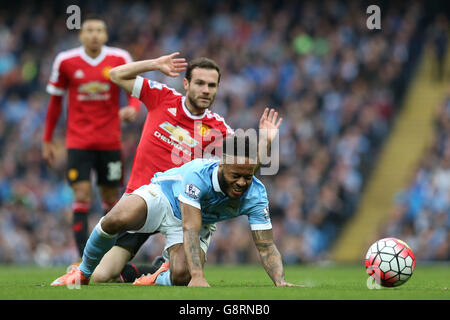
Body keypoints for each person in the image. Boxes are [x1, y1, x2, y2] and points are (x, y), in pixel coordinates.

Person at [89, 52, 281, 283]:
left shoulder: (219, 128)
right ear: (186, 83)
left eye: (212, 85)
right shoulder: (162, 97)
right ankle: (138, 270)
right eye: (200, 83)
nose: (206, 90)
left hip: (183, 208)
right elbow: (115, 74)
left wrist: (267, 141)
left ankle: (163, 269)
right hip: (145, 200)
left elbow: (243, 166)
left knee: (183, 274)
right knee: (101, 276)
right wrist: (154, 64)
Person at [51, 134, 301, 287]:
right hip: (164, 198)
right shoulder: (198, 176)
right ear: (222, 163)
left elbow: (266, 245)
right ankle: (82, 273)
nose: (242, 183)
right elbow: (189, 226)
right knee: (117, 217)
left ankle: (160, 274)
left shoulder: (255, 193)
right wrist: (200, 277)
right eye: (236, 175)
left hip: (199, 219)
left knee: (182, 275)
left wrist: (280, 281)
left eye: (248, 177)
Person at [42, 15, 141, 259]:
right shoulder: (66, 61)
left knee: (110, 198)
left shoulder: (119, 58)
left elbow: (135, 90)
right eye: (89, 30)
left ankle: (111, 259)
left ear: (105, 35)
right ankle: (82, 259)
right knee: (82, 195)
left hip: (110, 142)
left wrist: (133, 108)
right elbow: (55, 102)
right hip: (78, 142)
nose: (95, 34)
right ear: (81, 35)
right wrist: (47, 140)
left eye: (99, 30)